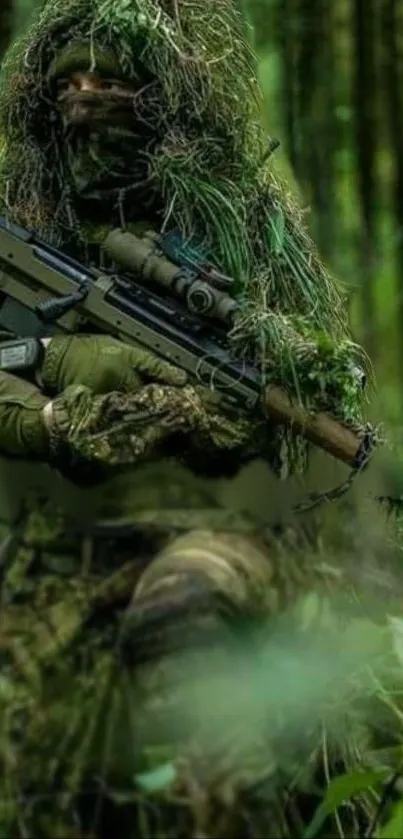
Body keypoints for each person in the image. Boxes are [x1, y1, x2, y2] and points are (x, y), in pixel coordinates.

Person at [0, 0, 372, 835]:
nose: (88, 99)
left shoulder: (243, 222)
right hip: (63, 539)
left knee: (186, 614)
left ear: (161, 92)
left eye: (111, 82)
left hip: (227, 524)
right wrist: (63, 396)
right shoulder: (25, 226)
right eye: (71, 83)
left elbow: (315, 389)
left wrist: (209, 399)